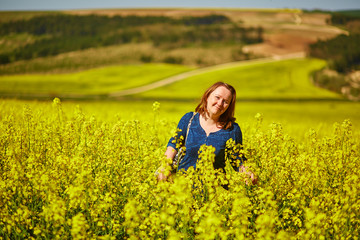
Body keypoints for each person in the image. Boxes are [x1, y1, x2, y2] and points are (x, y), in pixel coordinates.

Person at [157, 82, 256, 186]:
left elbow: (237, 159)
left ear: (229, 106)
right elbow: (174, 145)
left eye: (225, 101)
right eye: (217, 97)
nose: (220, 103)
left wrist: (247, 172)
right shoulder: (189, 119)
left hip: (215, 191)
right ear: (207, 96)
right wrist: (165, 166)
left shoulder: (232, 129)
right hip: (182, 188)